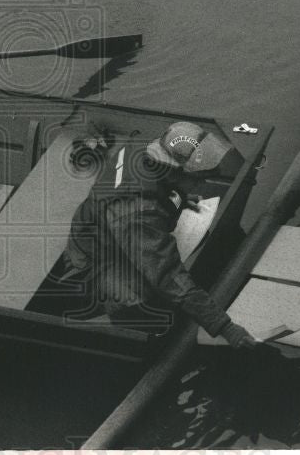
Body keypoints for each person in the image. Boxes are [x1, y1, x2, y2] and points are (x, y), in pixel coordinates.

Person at [59, 121, 257, 347]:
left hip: (109, 231)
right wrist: (224, 326)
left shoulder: (144, 149)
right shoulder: (138, 212)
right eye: (196, 177)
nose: (200, 181)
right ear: (173, 170)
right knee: (146, 304)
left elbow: (156, 184)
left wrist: (179, 198)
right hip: (95, 263)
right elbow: (166, 274)